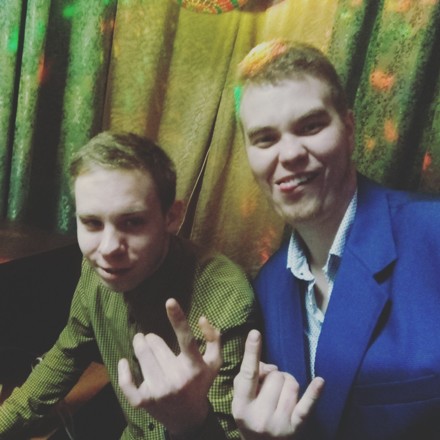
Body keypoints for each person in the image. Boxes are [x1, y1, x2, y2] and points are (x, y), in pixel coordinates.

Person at [231, 39, 440, 439]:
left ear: (349, 129)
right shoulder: (268, 287)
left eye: (310, 126)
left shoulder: (433, 233)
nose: (289, 154)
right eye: (265, 139)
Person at [0, 131, 256, 439]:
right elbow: (68, 352)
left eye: (132, 222)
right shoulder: (95, 270)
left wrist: (190, 420)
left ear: (172, 217)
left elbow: (228, 432)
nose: (108, 248)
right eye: (92, 223)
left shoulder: (226, 297)